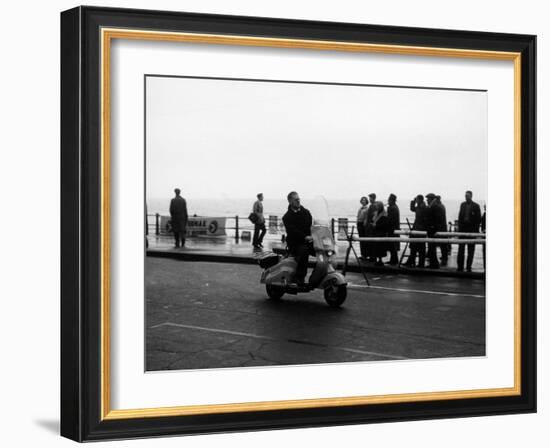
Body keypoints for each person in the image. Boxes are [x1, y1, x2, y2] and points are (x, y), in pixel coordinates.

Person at [282, 191, 313, 286]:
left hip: (308, 240)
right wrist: (304, 237)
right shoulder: (287, 217)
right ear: (290, 201)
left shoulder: (306, 212)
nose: (298, 201)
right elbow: (293, 231)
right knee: (304, 251)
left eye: (299, 199)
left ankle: (321, 275)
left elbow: (312, 224)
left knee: (324, 250)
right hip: (295, 242)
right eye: (296, 199)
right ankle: (299, 277)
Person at [456, 190, 482, 272]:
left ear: (471, 196)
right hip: (463, 230)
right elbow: (460, 216)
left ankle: (468, 267)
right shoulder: (462, 205)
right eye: (465, 195)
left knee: (471, 250)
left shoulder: (476, 206)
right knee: (461, 249)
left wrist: (475, 231)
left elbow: (478, 220)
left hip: (471, 230)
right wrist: (459, 229)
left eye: (467, 195)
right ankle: (460, 267)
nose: (466, 197)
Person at [405, 194, 427, 268]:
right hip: (417, 228)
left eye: (417, 199)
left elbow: (421, 218)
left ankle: (419, 263)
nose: (416, 201)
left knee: (420, 248)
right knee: (415, 247)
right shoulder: (420, 207)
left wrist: (414, 202)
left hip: (420, 229)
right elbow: (412, 208)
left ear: (420, 200)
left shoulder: (422, 207)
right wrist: (413, 201)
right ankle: (413, 261)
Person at [425, 193, 444, 269]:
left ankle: (434, 264)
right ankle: (433, 263)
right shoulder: (433, 206)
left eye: (428, 199)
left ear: (431, 199)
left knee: (432, 248)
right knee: (431, 248)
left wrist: (433, 227)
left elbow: (437, 219)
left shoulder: (435, 207)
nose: (427, 200)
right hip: (431, 230)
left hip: (432, 230)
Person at [372, 201, 389, 266]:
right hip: (375, 231)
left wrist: (376, 225)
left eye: (377, 206)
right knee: (375, 246)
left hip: (381, 232)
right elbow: (373, 220)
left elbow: (384, 224)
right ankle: (376, 259)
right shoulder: (376, 213)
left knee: (380, 247)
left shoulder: (384, 214)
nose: (376, 207)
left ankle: (380, 260)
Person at [386, 194, 400, 265]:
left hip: (392, 229)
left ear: (391, 200)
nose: (388, 201)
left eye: (389, 200)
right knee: (393, 245)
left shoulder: (392, 208)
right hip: (395, 228)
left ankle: (394, 260)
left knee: (392, 245)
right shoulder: (395, 207)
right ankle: (393, 259)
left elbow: (389, 219)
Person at [365, 193, 378, 261]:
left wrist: (371, 223)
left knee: (371, 241)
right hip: (370, 225)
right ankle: (371, 256)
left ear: (373, 198)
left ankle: (373, 256)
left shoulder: (374, 206)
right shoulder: (372, 205)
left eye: (370, 198)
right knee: (370, 241)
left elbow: (374, 215)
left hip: (371, 226)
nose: (369, 199)